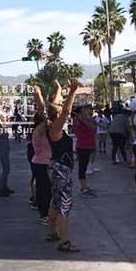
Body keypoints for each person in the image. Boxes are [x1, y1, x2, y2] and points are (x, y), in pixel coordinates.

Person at [38, 79, 81, 252]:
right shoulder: (55, 129)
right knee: (64, 204)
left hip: (57, 167)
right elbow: (66, 112)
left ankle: (52, 232)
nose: (61, 108)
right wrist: (72, 92)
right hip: (61, 169)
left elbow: (56, 106)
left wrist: (58, 89)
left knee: (56, 202)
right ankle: (64, 242)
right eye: (59, 108)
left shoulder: (51, 124)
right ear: (57, 114)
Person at [30, 86, 55, 226]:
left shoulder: (42, 130)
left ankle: (43, 213)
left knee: (43, 189)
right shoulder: (39, 129)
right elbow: (43, 111)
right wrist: (39, 94)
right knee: (45, 190)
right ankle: (44, 214)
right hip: (41, 163)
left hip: (42, 163)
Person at [72, 105, 97, 195]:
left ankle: (85, 186)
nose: (86, 112)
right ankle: (83, 187)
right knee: (82, 167)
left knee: (85, 166)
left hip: (89, 146)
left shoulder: (87, 120)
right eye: (84, 111)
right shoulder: (78, 121)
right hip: (82, 147)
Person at [0, 110, 14, 197]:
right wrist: (0, 121)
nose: (6, 118)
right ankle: (1, 189)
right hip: (2, 151)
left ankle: (5, 187)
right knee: (6, 170)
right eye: (4, 117)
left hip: (5, 150)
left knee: (7, 169)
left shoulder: (3, 126)